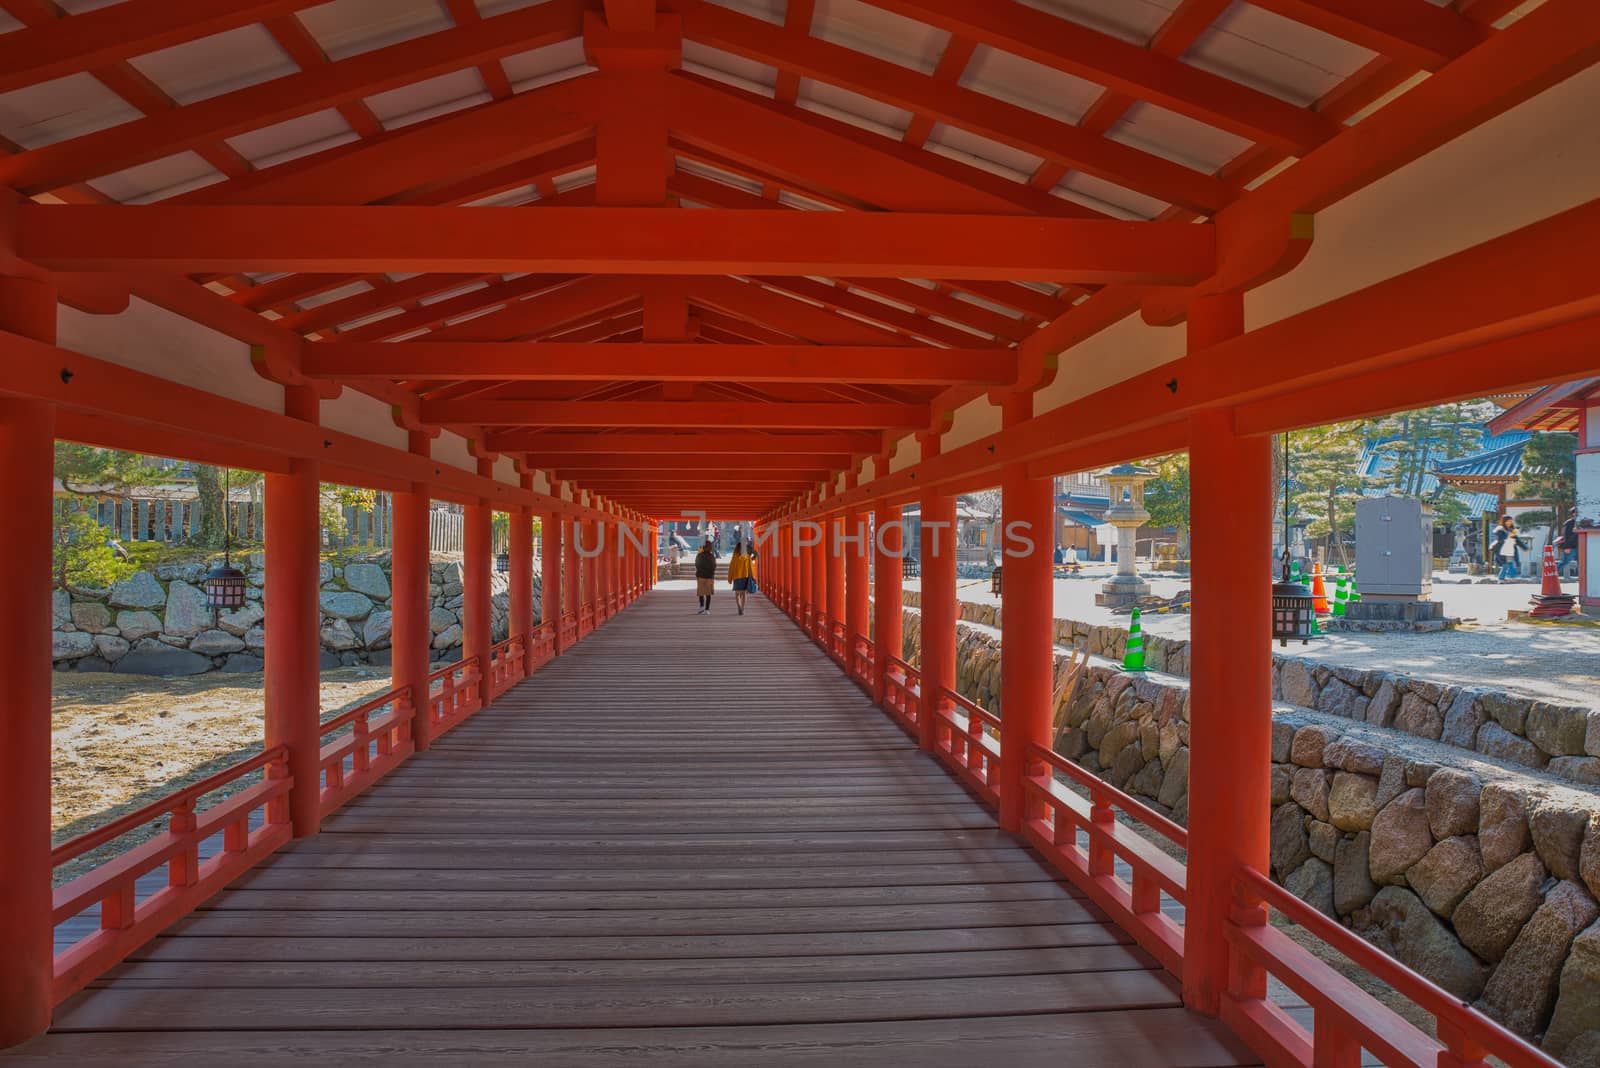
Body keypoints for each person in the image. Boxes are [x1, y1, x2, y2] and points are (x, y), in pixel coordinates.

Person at [1491, 514, 1522, 581]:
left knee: (1509, 564)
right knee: (1506, 564)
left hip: (1509, 549)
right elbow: (1500, 539)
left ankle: (1508, 577)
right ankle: (1504, 578)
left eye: (1511, 521)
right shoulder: (1500, 529)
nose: (1510, 522)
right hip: (1501, 549)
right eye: (1508, 521)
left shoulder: (1511, 529)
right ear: (1504, 521)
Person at [728, 542, 754, 615]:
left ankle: (739, 606)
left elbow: (731, 568)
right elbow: (751, 567)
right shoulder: (747, 557)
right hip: (745, 576)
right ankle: (742, 608)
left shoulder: (735, 557)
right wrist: (753, 577)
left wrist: (729, 578)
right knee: (744, 593)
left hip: (736, 577)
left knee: (737, 594)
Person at [694, 538, 717, 613]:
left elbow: (696, 564)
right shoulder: (711, 556)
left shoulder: (699, 555)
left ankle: (701, 606)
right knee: (708, 593)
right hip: (709, 576)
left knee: (701, 592)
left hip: (700, 575)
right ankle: (707, 609)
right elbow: (714, 566)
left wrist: (699, 571)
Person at [1557, 507, 1579, 576]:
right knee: (1564, 562)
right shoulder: (1569, 523)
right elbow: (1566, 536)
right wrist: (1567, 547)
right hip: (1571, 547)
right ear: (1573, 513)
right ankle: (1550, 574)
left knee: (1583, 563)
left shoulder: (1580, 522)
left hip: (1580, 546)